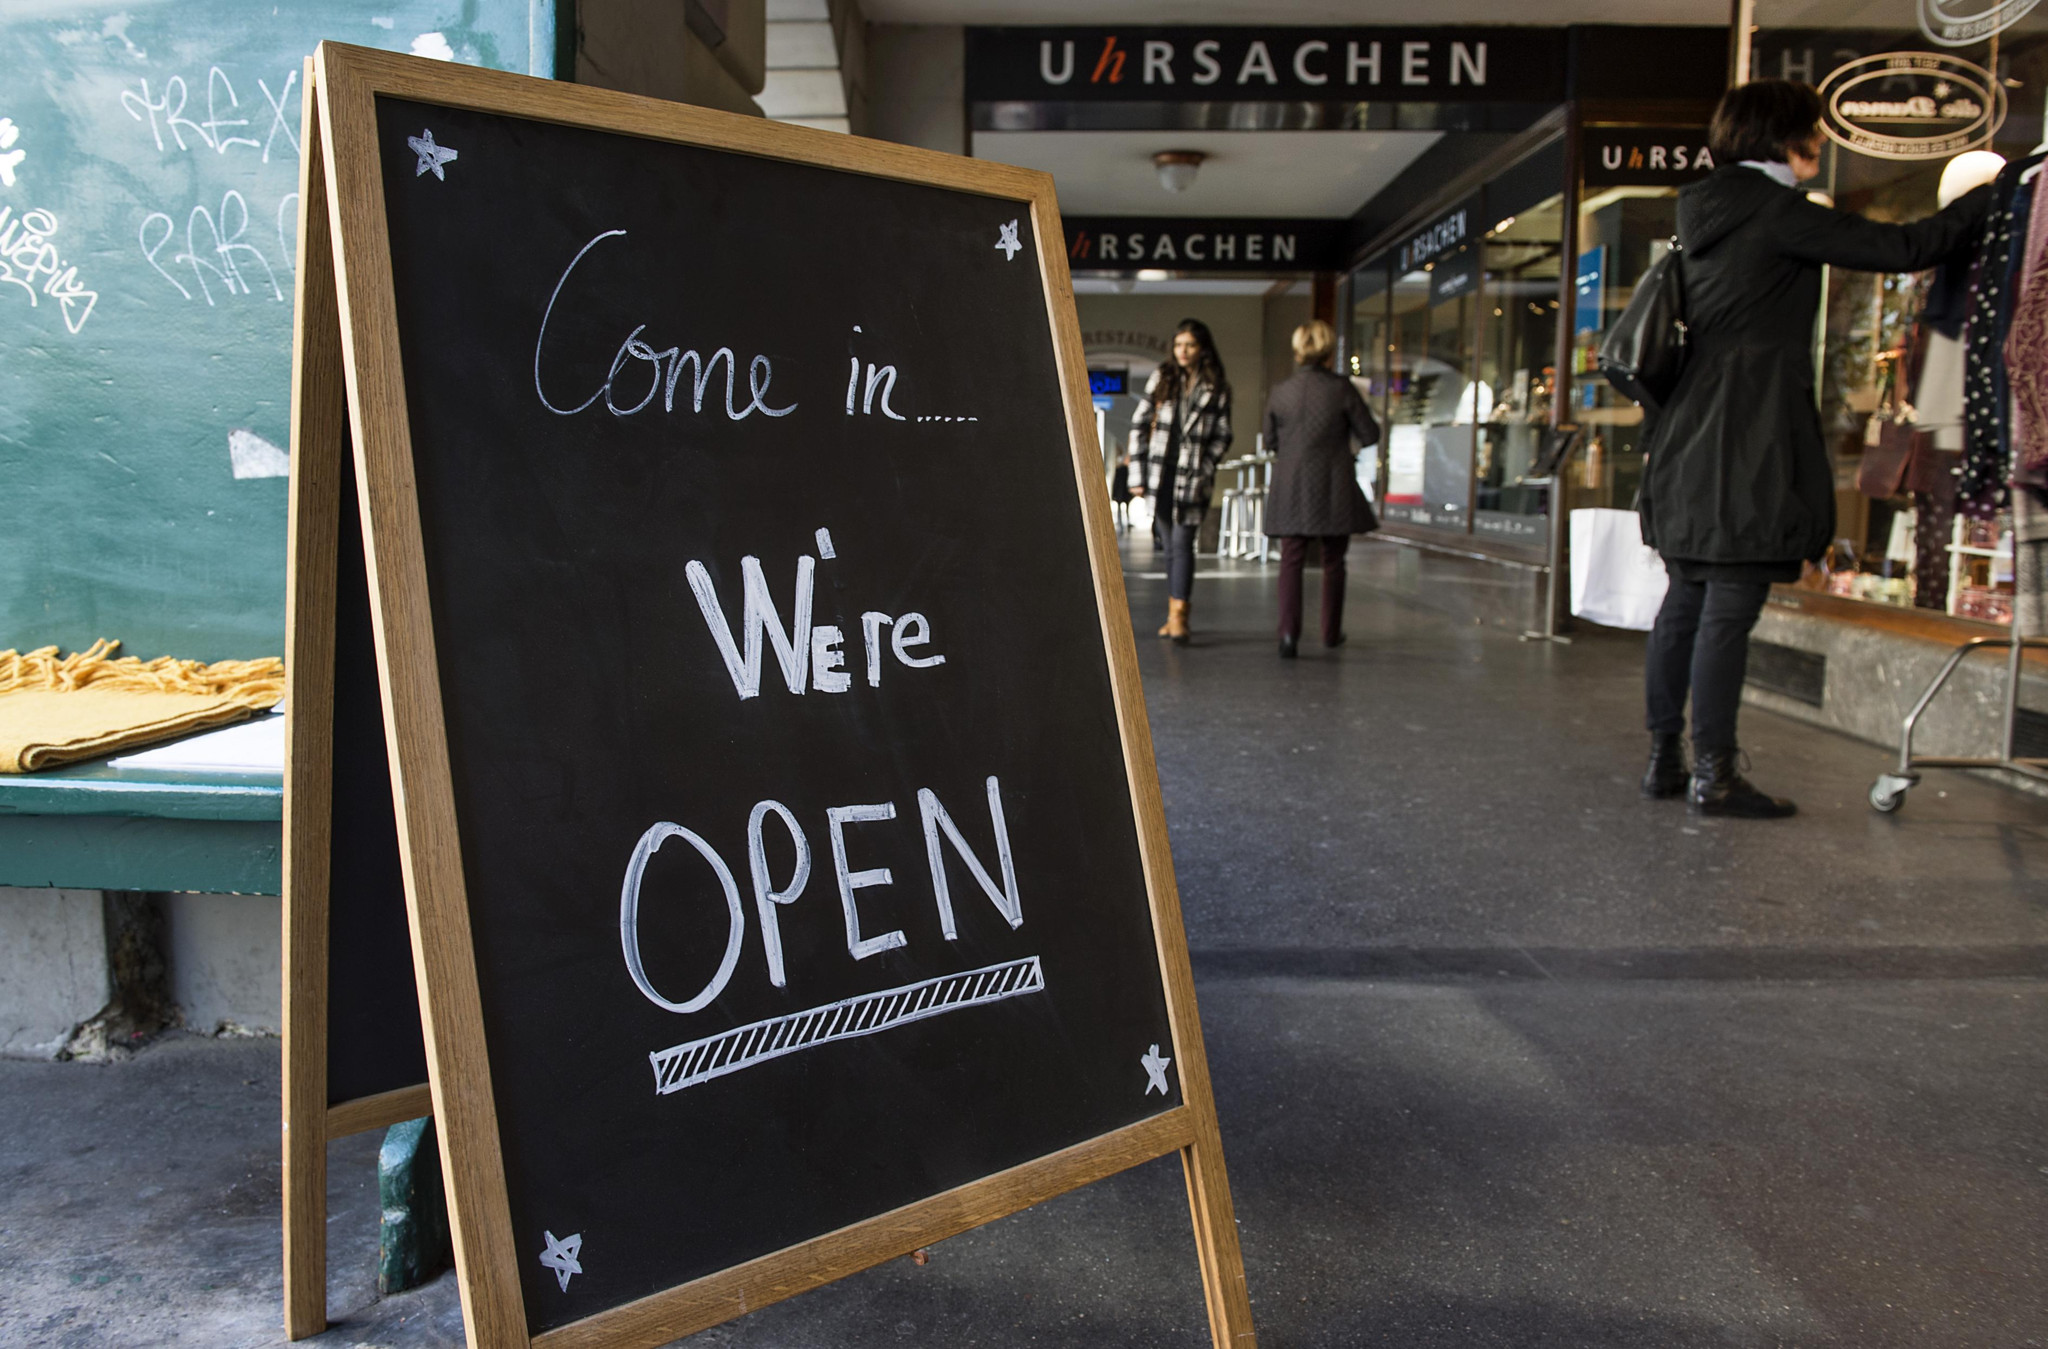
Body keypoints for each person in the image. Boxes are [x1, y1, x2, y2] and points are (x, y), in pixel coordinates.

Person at [1637, 79, 1993, 818]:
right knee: (1728, 601)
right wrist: (1993, 193)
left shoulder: (1702, 213)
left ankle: (1664, 759)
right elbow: (1907, 246)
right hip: (1748, 437)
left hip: (1687, 431)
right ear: (1783, 138)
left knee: (1688, 598)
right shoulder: (1776, 215)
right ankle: (1717, 775)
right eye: (1815, 131)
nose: (1824, 145)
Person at [1262, 319, 1380, 657]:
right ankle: (1330, 633)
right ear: (1329, 350)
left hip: (1291, 482)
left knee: (1291, 559)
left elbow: (1270, 440)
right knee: (1333, 560)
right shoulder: (1342, 388)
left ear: (1298, 350)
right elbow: (1370, 433)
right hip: (1334, 481)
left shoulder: (1281, 390)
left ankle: (1288, 635)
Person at [1128, 319, 1233, 643]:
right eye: (1178, 345)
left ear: (1202, 348)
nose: (1182, 351)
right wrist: (1137, 475)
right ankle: (1173, 614)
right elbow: (1139, 424)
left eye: (1189, 345)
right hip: (1160, 474)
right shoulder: (1164, 377)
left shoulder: (1216, 386)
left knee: (1182, 543)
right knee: (1169, 546)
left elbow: (1223, 434)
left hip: (1192, 476)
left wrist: (1206, 464)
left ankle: (1179, 618)